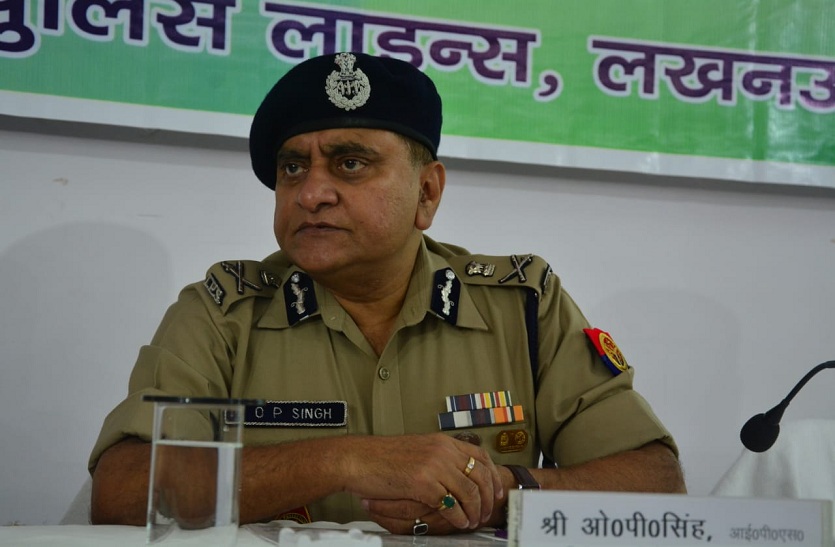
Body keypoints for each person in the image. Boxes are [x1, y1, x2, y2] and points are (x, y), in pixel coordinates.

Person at [89, 52, 686, 536]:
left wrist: (500, 494)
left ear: (427, 193)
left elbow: (656, 483)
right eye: (292, 168)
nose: (311, 193)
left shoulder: (523, 306)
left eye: (350, 164)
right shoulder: (222, 314)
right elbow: (119, 492)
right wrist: (343, 460)